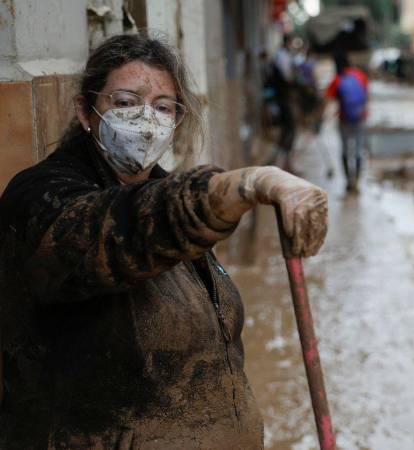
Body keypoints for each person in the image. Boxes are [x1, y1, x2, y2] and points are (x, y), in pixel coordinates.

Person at [0, 33, 327, 449]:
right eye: (124, 103)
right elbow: (111, 233)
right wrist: (241, 186)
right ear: (86, 110)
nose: (145, 120)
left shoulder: (170, 196)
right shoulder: (41, 196)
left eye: (162, 107)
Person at [324, 52, 368, 193]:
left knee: (344, 150)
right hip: (360, 118)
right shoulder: (361, 76)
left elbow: (327, 98)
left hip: (344, 119)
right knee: (358, 150)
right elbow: (366, 96)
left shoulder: (337, 79)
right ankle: (357, 182)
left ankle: (349, 182)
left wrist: (319, 119)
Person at [269, 34, 297, 172]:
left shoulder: (283, 55)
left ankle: (284, 163)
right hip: (282, 97)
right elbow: (288, 77)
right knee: (289, 128)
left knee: (288, 129)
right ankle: (282, 164)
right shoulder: (282, 56)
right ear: (288, 42)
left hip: (283, 96)